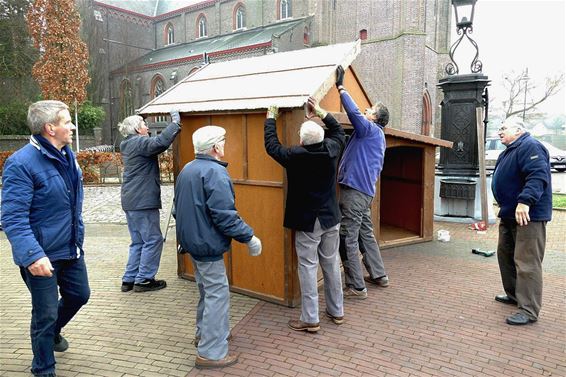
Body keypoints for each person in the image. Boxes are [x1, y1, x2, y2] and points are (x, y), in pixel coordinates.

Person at [1, 100, 91, 377]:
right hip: (40, 255)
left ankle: (53, 334)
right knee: (45, 313)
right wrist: (32, 255)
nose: (73, 126)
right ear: (50, 128)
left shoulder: (68, 156)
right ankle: (43, 368)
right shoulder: (21, 164)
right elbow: (12, 218)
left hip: (70, 248)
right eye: (67, 121)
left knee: (80, 295)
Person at [175, 125, 262, 369]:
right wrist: (249, 237)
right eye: (223, 140)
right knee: (217, 295)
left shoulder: (187, 170)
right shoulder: (215, 173)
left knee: (208, 292)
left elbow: (176, 209)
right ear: (215, 147)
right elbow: (225, 216)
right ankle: (211, 352)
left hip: (193, 244)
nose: (224, 144)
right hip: (207, 246)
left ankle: (206, 334)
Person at [264, 97, 345, 333]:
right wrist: (320, 111)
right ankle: (337, 311)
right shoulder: (332, 149)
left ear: (301, 139)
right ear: (321, 137)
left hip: (308, 222)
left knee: (308, 267)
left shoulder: (294, 155)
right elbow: (338, 131)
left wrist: (271, 117)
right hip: (331, 218)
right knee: (331, 264)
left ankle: (311, 319)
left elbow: (271, 145)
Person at [335, 66, 390, 299]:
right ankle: (379, 275)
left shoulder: (369, 130)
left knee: (347, 235)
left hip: (355, 193)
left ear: (375, 118)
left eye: (370, 110)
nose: (366, 111)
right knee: (365, 233)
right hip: (365, 193)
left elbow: (354, 113)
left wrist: (341, 88)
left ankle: (356, 287)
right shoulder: (376, 137)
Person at [491, 117, 552, 325]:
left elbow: (537, 175)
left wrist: (525, 202)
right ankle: (514, 295)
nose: (499, 131)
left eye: (503, 128)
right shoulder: (511, 150)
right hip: (509, 213)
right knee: (505, 254)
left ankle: (528, 310)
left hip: (528, 215)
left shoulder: (530, 146)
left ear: (518, 131)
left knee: (527, 262)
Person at [118, 111, 181, 292]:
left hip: (130, 200)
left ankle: (129, 279)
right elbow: (160, 143)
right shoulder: (139, 142)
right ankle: (144, 279)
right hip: (142, 200)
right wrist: (175, 123)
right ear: (138, 129)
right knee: (153, 239)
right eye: (145, 125)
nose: (148, 128)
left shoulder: (127, 143)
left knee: (138, 241)